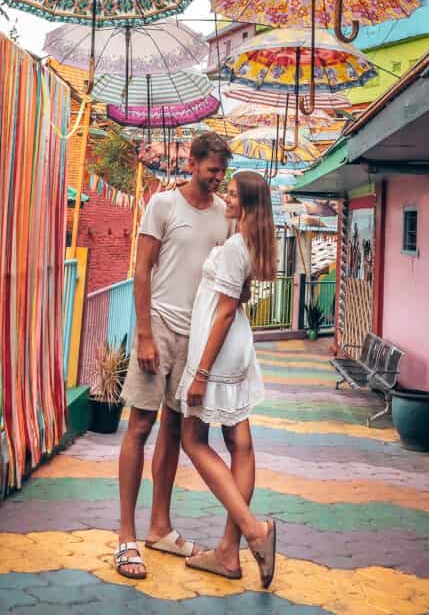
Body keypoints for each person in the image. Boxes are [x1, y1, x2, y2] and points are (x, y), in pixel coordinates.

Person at [115, 132, 233, 581]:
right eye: (211, 170)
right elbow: (141, 268)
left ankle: (159, 526)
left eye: (222, 171)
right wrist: (144, 333)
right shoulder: (163, 205)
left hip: (198, 335)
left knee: (174, 429)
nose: (218, 179)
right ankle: (126, 535)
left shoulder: (225, 215)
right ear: (192, 164)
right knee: (140, 425)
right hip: (160, 328)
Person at [176, 170, 277, 588]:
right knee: (240, 443)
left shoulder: (237, 247)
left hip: (216, 352)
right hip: (235, 348)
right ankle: (227, 553)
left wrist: (199, 372)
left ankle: (254, 532)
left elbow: (222, 311)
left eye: (234, 195)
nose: (226, 198)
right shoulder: (251, 243)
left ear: (250, 204)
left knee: (192, 439)